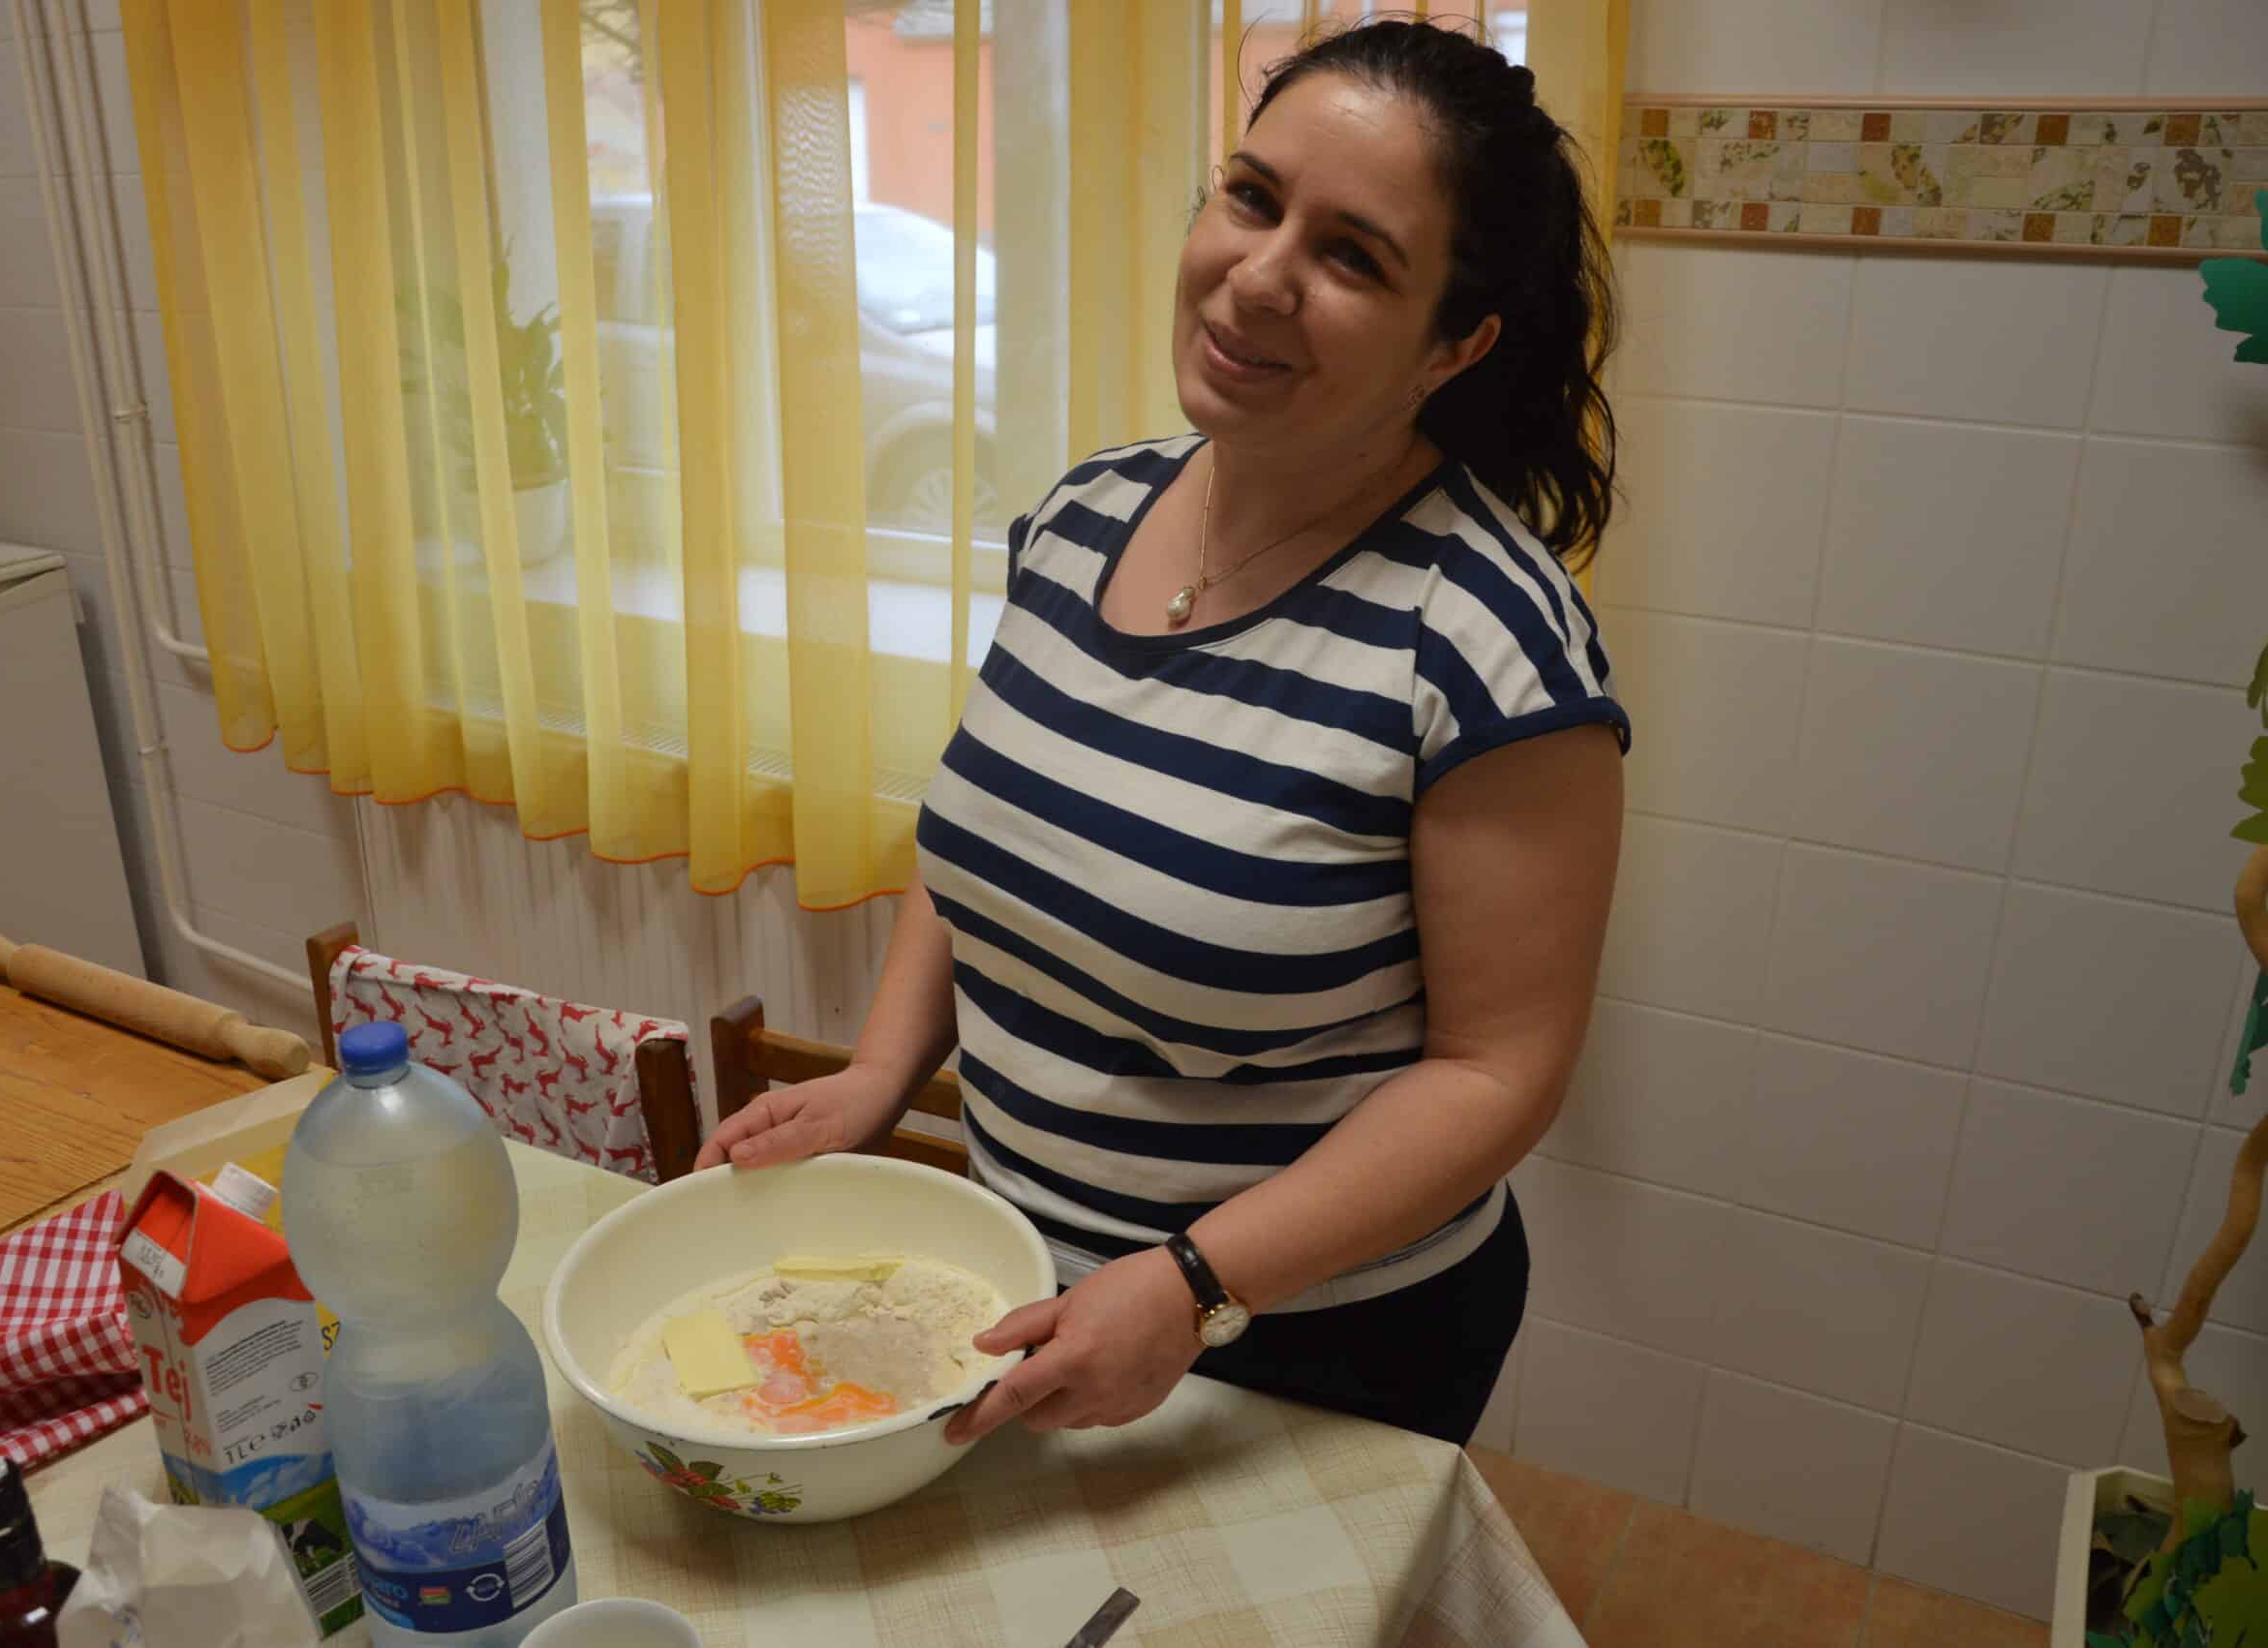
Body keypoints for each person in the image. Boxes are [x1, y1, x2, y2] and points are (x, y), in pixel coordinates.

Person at [694, 18, 1628, 1448]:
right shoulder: (1086, 515)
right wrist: (879, 1074)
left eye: (1353, 256)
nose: (1259, 275)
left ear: (1456, 343)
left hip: (1310, 1340)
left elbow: (1496, 1074)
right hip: (1018, 1278)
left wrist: (1196, 1284)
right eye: (1252, 197)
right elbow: (990, 843)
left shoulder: (1488, 640)